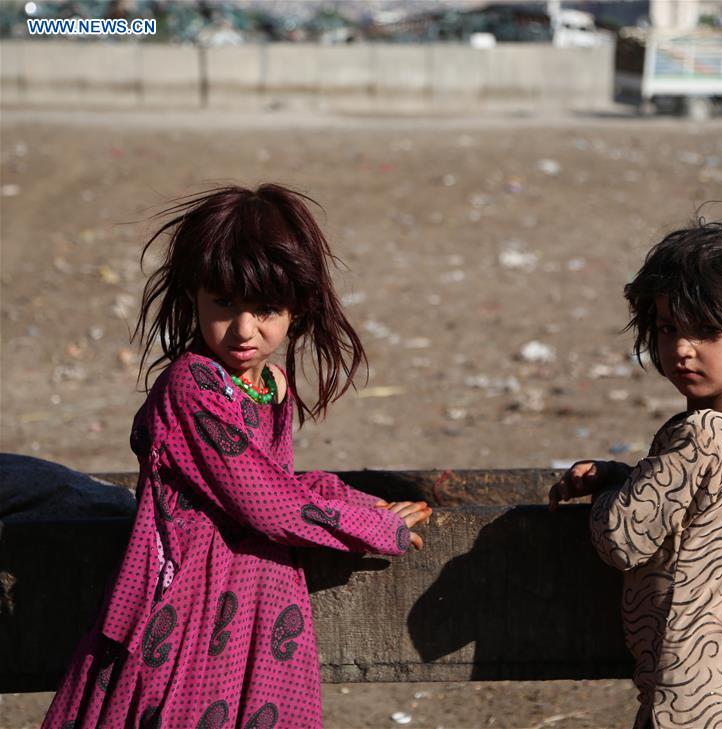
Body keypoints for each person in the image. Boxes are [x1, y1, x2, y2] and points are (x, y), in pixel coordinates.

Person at [43, 183, 432, 728]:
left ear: (297, 309)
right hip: (188, 614)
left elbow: (277, 480)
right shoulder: (191, 384)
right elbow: (264, 502)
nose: (244, 329)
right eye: (223, 303)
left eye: (266, 309)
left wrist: (365, 503)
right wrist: (371, 528)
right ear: (193, 298)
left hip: (258, 608)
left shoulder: (271, 383)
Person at [548, 219, 722, 729]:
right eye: (670, 328)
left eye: (707, 330)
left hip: (685, 696)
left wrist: (608, 489)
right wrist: (621, 473)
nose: (682, 348)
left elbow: (622, 538)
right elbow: (682, 505)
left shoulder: (705, 434)